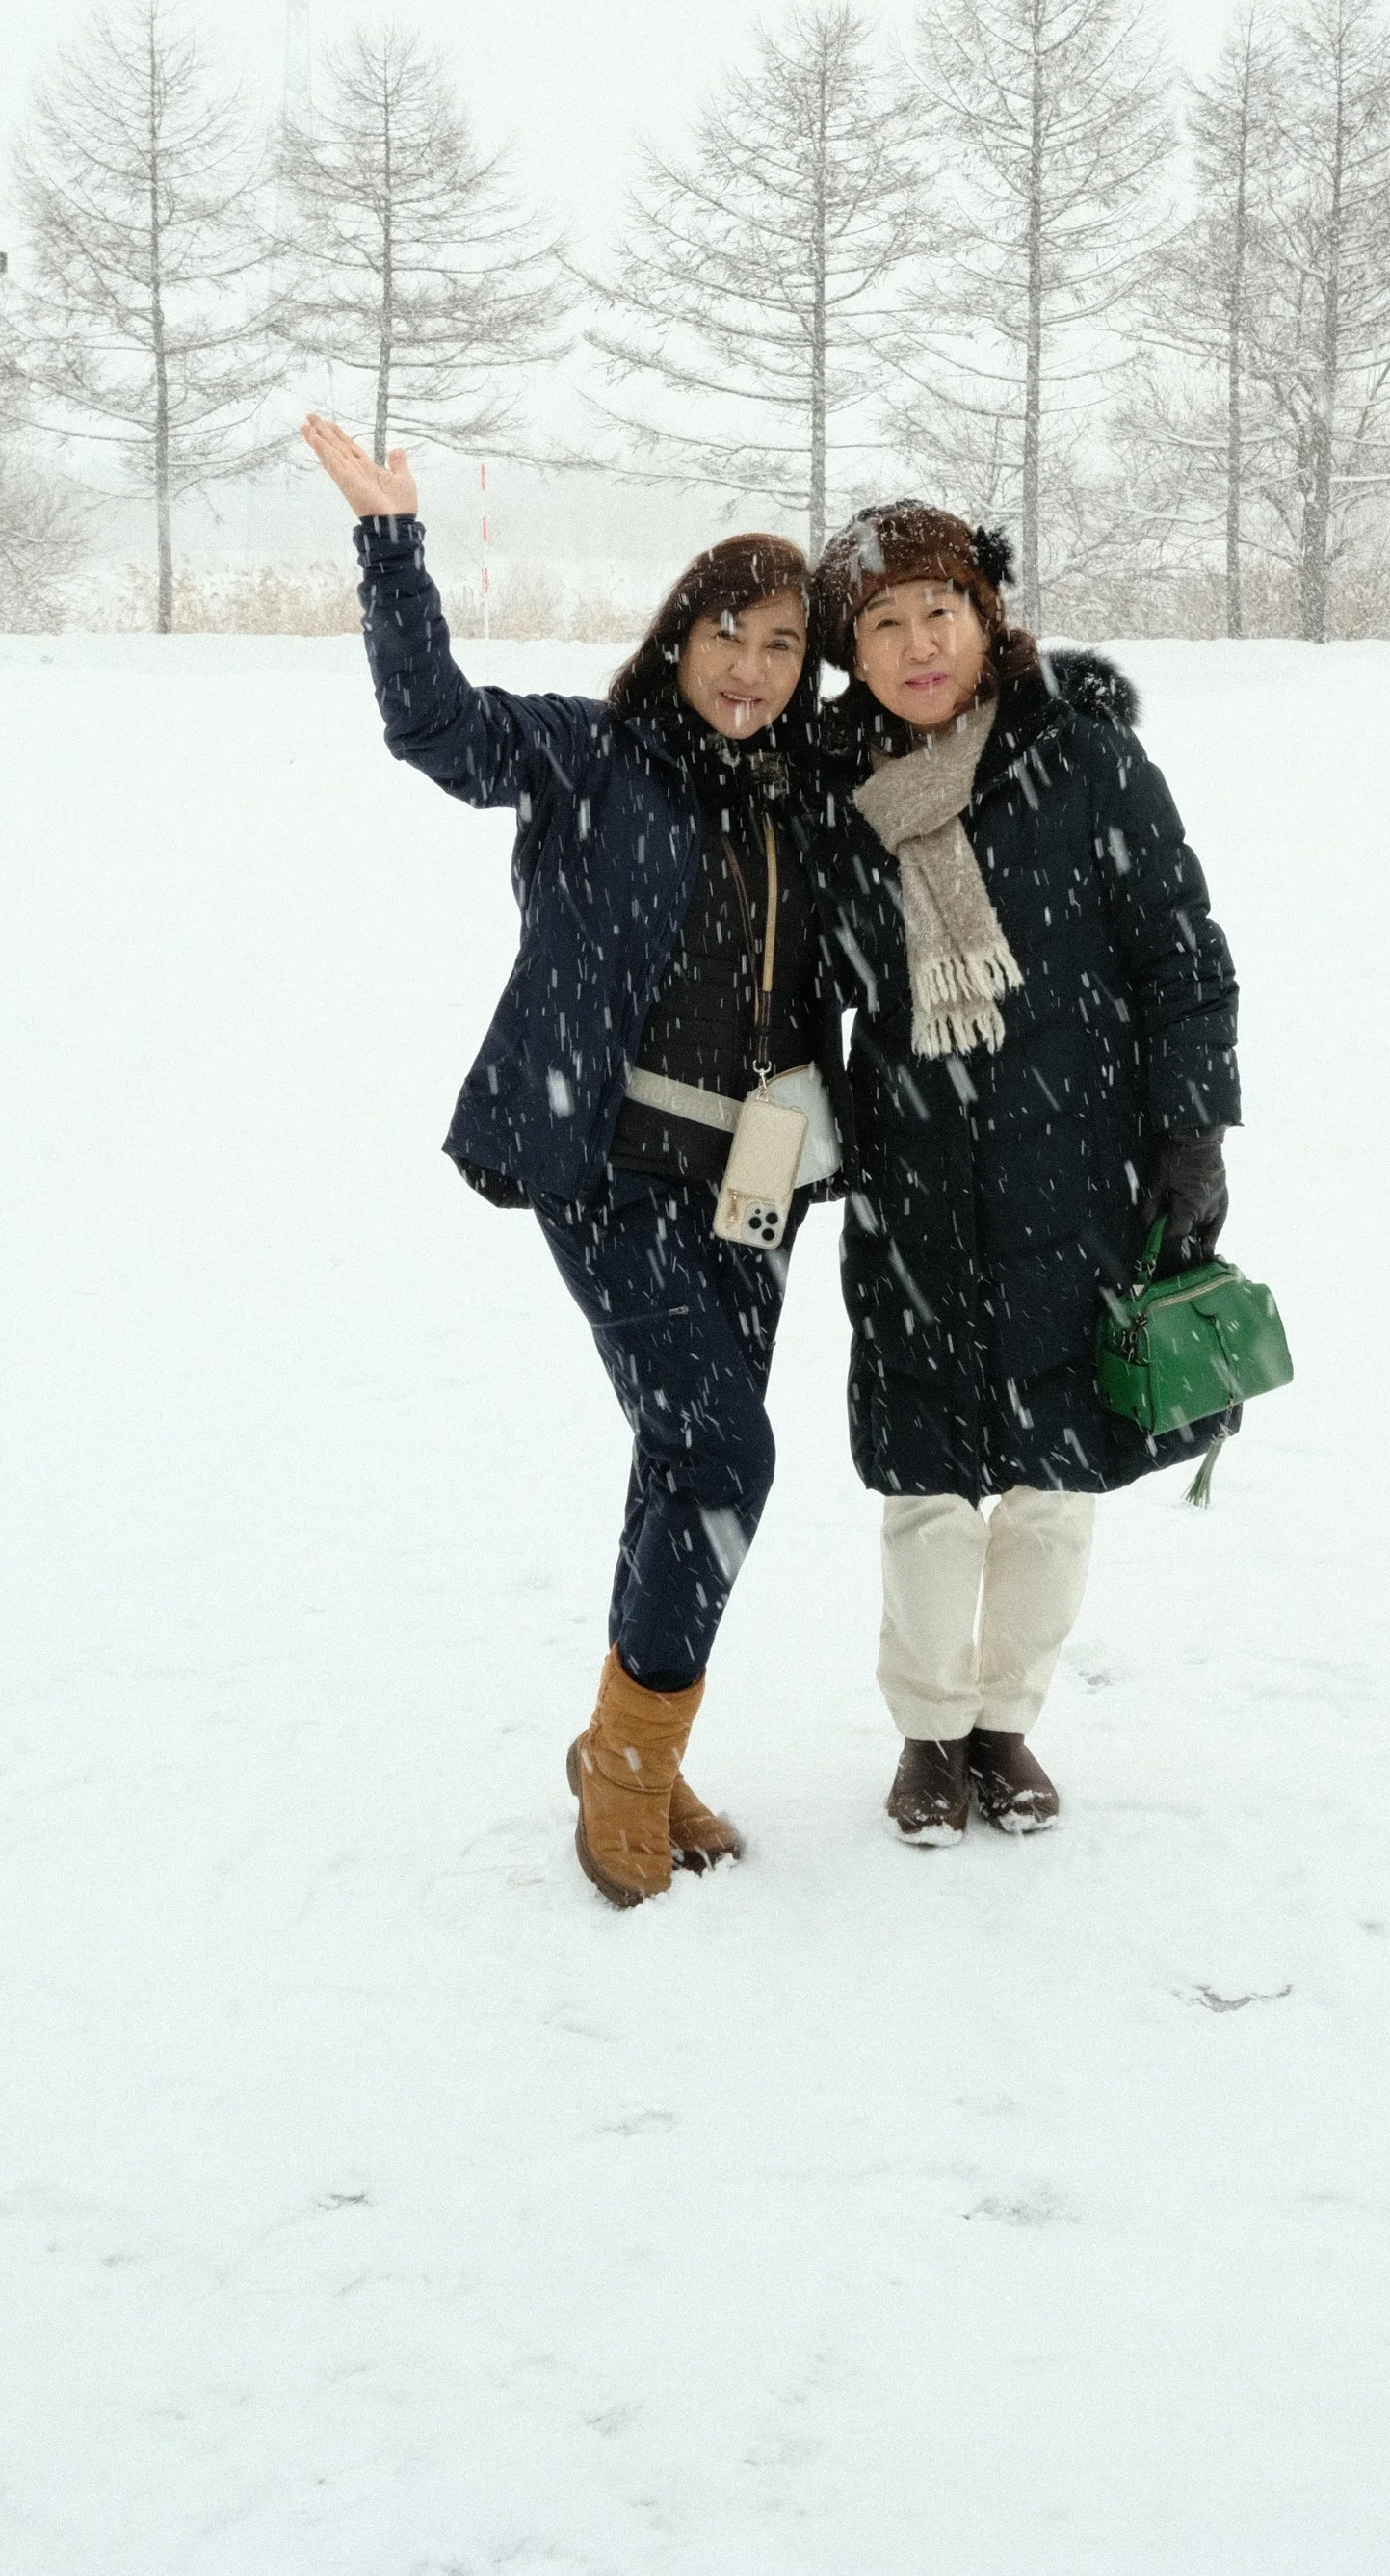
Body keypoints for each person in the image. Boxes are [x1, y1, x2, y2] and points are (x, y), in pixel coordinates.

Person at [303, 412, 847, 1910]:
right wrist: (390, 542)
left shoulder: (813, 795)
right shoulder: (589, 752)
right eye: (728, 633)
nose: (752, 668)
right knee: (726, 1454)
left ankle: (644, 1753)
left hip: (759, 1180)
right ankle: (624, 1758)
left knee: (681, 1459)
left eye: (785, 646)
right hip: (605, 1166)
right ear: (679, 636)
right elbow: (433, 725)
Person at [810, 500, 1240, 1842]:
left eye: (940, 607)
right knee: (929, 1479)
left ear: (987, 614)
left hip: (1075, 1175)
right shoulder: (830, 792)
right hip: (912, 1180)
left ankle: (1009, 1723)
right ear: (852, 654)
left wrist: (1192, 1129)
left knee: (1053, 1476)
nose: (918, 640)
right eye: (882, 622)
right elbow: (793, 983)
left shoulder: (1090, 763)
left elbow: (1180, 949)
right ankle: (929, 1734)